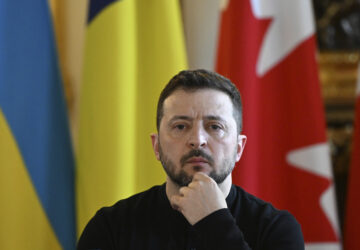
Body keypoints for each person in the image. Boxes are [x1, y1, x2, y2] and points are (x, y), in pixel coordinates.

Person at [77, 69, 304, 250]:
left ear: (238, 147)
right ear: (156, 146)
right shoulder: (110, 228)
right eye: (180, 126)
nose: (197, 140)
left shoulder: (276, 229)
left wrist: (215, 222)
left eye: (215, 126)